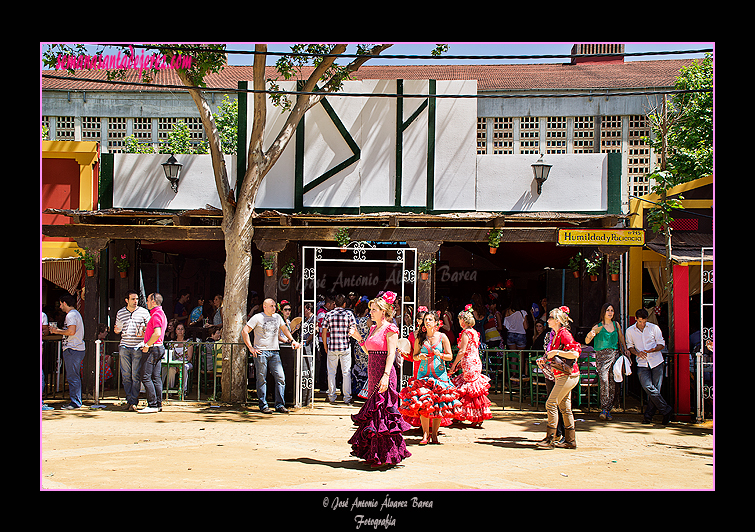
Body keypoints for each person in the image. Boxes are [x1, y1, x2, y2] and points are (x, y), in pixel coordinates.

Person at [348, 291, 412, 467]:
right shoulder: (372, 329)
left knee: (383, 413)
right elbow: (369, 352)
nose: (371, 312)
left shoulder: (390, 328)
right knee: (375, 413)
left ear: (383, 312)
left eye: (374, 309)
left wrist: (385, 376)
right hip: (373, 372)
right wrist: (359, 338)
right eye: (371, 310)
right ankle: (375, 454)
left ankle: (386, 455)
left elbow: (391, 354)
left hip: (384, 373)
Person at [398, 310, 462, 445]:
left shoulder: (443, 337)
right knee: (423, 404)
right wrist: (419, 357)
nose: (427, 322)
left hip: (439, 375)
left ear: (436, 323)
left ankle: (435, 435)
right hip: (423, 375)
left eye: (430, 319)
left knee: (438, 404)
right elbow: (414, 356)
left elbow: (450, 356)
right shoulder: (420, 338)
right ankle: (425, 435)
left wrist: (441, 355)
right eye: (426, 319)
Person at [242, 298, 300, 414]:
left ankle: (279, 404)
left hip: (274, 351)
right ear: (265, 306)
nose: (274, 308)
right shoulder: (257, 317)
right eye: (272, 306)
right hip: (261, 351)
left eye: (274, 306)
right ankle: (263, 405)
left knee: (280, 377)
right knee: (261, 378)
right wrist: (250, 348)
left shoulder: (278, 318)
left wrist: (292, 340)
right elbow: (245, 331)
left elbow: (284, 329)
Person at [537, 306, 581, 449]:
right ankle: (570, 440)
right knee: (564, 406)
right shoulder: (557, 334)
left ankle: (551, 439)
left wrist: (556, 352)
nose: (547, 320)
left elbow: (575, 354)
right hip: (563, 375)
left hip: (567, 376)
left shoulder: (564, 334)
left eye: (550, 318)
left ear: (556, 320)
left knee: (551, 403)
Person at [626, 308, 672, 425]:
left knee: (655, 389)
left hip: (656, 360)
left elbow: (661, 343)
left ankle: (648, 416)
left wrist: (654, 349)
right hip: (642, 362)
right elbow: (630, 346)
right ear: (636, 319)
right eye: (640, 321)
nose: (642, 324)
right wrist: (637, 353)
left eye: (644, 321)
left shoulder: (654, 328)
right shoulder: (630, 331)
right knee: (648, 387)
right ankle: (665, 409)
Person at [450, 306, 492, 427]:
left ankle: (470, 416)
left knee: (469, 390)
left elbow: (462, 351)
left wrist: (454, 365)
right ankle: (474, 416)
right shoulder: (474, 332)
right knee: (474, 390)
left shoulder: (465, 333)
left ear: (462, 321)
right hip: (475, 362)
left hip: (469, 363)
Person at [585, 303, 628, 421]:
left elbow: (621, 337)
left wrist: (625, 349)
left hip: (614, 354)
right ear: (603, 312)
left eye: (612, 310)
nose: (610, 312)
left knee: (613, 382)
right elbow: (587, 340)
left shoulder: (616, 324)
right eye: (608, 310)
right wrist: (591, 334)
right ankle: (604, 407)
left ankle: (608, 409)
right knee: (604, 380)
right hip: (602, 356)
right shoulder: (598, 326)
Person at [114, 290, 151, 412]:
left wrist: (143, 330)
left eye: (136, 299)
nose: (135, 302)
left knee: (135, 375)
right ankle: (130, 399)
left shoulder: (144, 312)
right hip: (125, 345)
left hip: (137, 346)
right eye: (133, 299)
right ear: (127, 300)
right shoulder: (120, 313)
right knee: (126, 375)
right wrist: (117, 329)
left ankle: (133, 400)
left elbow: (150, 327)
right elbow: (117, 329)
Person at [49, 294, 86, 410]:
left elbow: (71, 332)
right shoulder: (75, 314)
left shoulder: (71, 315)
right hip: (75, 348)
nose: (60, 307)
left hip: (73, 348)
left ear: (65, 303)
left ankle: (75, 402)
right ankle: (76, 400)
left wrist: (56, 331)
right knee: (73, 376)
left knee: (72, 376)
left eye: (60, 304)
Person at [322, 294, 357, 405]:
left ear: (334, 304)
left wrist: (325, 346)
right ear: (345, 304)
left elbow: (324, 332)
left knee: (331, 372)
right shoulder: (348, 314)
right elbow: (353, 328)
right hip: (345, 346)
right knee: (346, 373)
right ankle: (347, 397)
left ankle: (331, 396)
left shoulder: (329, 314)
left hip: (332, 346)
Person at [139, 292, 167, 413]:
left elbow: (157, 333)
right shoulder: (161, 313)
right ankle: (158, 403)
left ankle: (152, 404)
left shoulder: (155, 315)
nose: (147, 303)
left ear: (153, 302)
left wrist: (147, 345)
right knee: (156, 377)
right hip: (159, 347)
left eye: (148, 300)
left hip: (153, 348)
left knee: (145, 376)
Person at [166, 322, 194, 395]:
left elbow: (189, 357)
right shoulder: (171, 343)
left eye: (182, 329)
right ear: (175, 331)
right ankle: (170, 389)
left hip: (186, 363)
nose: (180, 331)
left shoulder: (188, 342)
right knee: (171, 368)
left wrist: (181, 364)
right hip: (174, 363)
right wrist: (176, 364)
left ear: (184, 331)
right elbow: (170, 356)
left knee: (184, 368)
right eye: (178, 329)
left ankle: (183, 390)